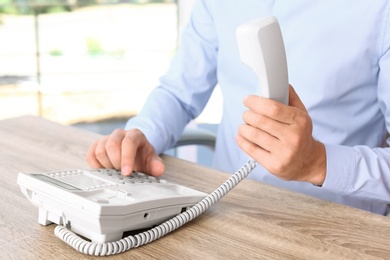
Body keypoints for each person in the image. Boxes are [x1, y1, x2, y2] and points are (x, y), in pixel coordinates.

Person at [87, 0, 390, 215]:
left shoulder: (379, 10)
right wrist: (143, 134)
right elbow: (179, 92)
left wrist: (319, 163)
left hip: (340, 228)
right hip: (226, 211)